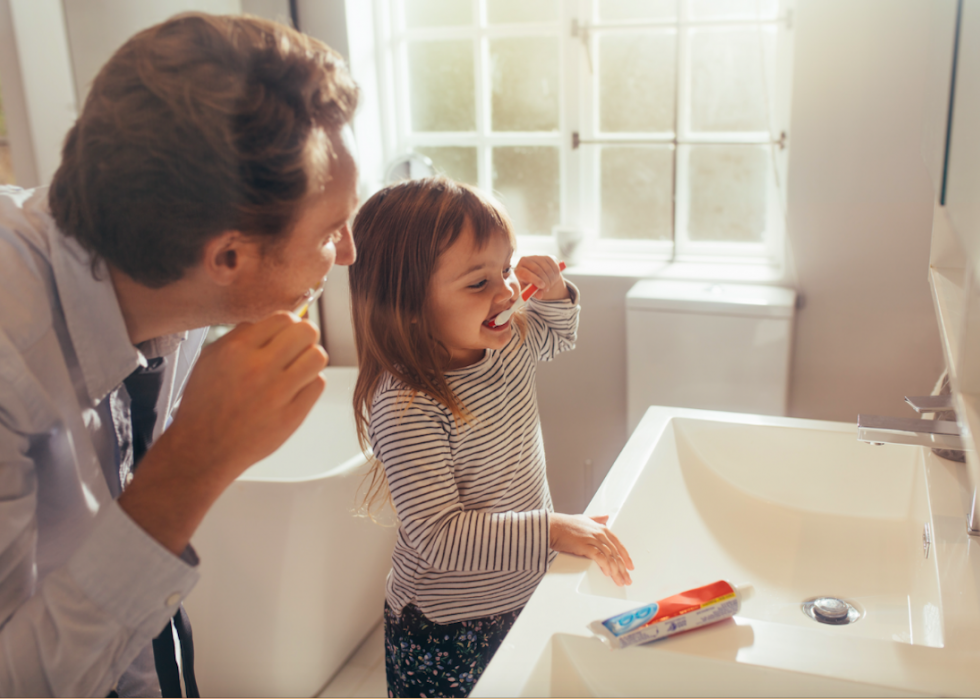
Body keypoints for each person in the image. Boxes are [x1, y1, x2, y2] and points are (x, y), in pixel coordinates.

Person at [0, 12, 358, 697]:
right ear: (227, 255)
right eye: (332, 229)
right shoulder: (10, 357)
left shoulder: (171, 278)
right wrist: (195, 461)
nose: (347, 252)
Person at [348, 177, 634, 698]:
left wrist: (556, 292)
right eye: (479, 283)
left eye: (506, 269)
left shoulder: (505, 342)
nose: (506, 293)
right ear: (408, 303)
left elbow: (556, 332)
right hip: (447, 627)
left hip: (520, 588)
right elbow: (438, 536)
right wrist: (551, 529)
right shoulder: (408, 404)